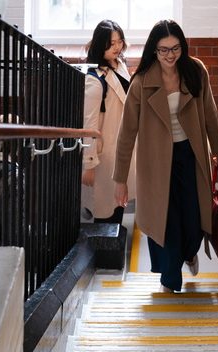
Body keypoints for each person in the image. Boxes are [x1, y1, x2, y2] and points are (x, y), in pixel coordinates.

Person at [113, 19, 218, 293]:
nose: (170, 55)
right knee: (167, 224)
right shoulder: (141, 82)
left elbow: (210, 113)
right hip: (156, 163)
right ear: (154, 50)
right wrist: (120, 179)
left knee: (194, 219)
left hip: (192, 156)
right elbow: (126, 133)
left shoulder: (195, 71)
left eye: (175, 48)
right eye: (163, 49)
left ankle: (190, 253)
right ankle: (170, 280)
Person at [82, 19, 135, 224]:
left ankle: (115, 240)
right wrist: (89, 164)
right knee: (105, 210)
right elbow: (89, 125)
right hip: (105, 153)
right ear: (100, 44)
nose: (117, 47)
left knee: (119, 203)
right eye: (111, 43)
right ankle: (107, 243)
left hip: (121, 146)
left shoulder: (120, 65)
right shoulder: (94, 79)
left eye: (119, 41)